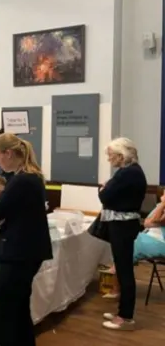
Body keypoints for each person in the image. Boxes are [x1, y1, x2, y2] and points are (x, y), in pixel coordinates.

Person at [0, 133, 52, 346]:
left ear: (9, 153)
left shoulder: (21, 180)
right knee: (19, 305)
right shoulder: (33, 177)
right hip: (28, 250)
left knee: (5, 308)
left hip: (19, 252)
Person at [96, 137, 147, 331]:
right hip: (123, 224)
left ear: (121, 155)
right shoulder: (129, 172)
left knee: (124, 271)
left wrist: (103, 189)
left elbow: (105, 196)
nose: (109, 159)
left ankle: (125, 317)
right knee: (121, 268)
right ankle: (122, 312)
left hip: (123, 225)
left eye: (110, 155)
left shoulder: (128, 173)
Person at [104, 194, 165, 299]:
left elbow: (155, 220)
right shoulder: (161, 206)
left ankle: (117, 284)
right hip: (150, 236)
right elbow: (147, 223)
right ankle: (118, 282)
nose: (163, 195)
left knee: (128, 245)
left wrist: (163, 204)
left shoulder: (162, 206)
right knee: (125, 242)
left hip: (161, 242)